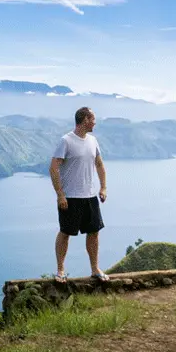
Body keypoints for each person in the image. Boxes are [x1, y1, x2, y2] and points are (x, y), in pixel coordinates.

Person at [49, 106, 108, 283]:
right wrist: (60, 194)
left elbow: (99, 164)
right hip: (70, 197)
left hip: (90, 197)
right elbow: (53, 167)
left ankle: (95, 269)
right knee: (65, 233)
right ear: (85, 120)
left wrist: (103, 188)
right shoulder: (66, 141)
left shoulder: (93, 141)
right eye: (93, 119)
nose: (95, 123)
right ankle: (60, 271)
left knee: (94, 233)